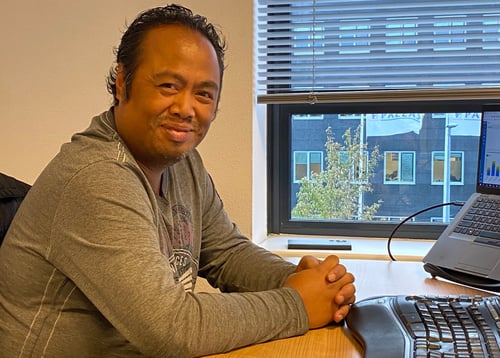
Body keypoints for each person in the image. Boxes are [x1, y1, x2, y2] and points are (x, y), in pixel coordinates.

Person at [0, 4, 355, 357]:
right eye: (169, 85)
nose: (186, 108)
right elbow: (170, 328)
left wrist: (305, 282)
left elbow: (227, 255)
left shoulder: (184, 165)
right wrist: (297, 304)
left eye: (204, 93)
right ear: (123, 82)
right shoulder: (95, 176)